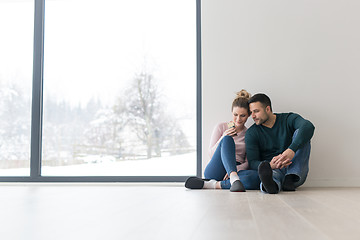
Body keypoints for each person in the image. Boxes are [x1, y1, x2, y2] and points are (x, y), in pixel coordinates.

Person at [185, 90, 260, 192]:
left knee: (256, 177)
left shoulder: (249, 134)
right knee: (227, 139)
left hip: (237, 169)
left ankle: (212, 184)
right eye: (235, 114)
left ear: (248, 115)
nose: (238, 119)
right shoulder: (221, 127)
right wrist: (223, 136)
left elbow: (247, 162)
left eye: (242, 115)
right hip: (217, 167)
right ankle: (233, 179)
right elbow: (211, 154)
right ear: (231, 112)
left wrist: (234, 170)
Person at [245, 93, 315, 194]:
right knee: (271, 175)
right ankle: (271, 186)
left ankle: (290, 177)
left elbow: (308, 126)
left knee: (303, 133)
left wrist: (291, 150)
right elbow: (252, 162)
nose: (253, 116)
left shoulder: (287, 119)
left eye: (256, 111)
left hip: (296, 169)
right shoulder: (251, 133)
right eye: (251, 112)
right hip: (274, 169)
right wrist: (270, 165)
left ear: (267, 109)